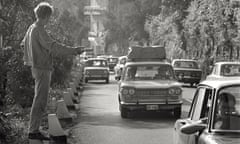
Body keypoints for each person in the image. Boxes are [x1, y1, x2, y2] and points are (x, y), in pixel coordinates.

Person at [21, 2, 85, 140]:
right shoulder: (39, 30)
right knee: (40, 100)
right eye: (49, 17)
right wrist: (74, 51)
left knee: (39, 99)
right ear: (46, 16)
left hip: (36, 67)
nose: (49, 20)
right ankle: (33, 131)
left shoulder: (31, 28)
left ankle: (34, 129)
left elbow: (24, 44)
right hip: (42, 68)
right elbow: (54, 47)